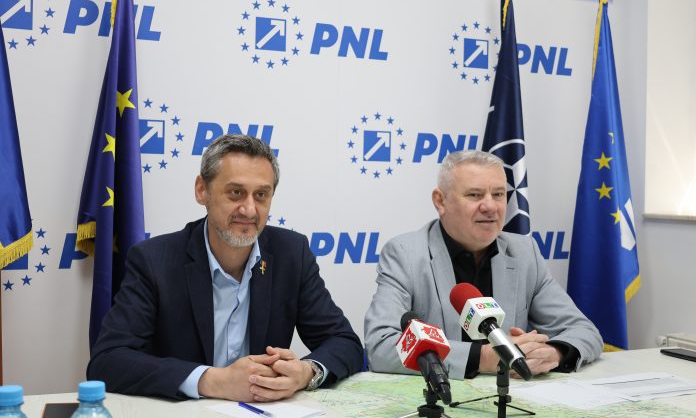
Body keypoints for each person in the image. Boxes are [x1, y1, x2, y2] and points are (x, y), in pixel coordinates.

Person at [87, 134, 363, 401]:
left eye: (261, 195)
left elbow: (344, 342)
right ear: (202, 190)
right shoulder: (154, 260)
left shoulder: (292, 254)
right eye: (236, 193)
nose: (249, 210)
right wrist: (214, 381)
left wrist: (306, 372)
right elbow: (108, 360)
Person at [364, 150, 603, 379]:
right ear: (440, 201)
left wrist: (553, 352)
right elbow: (381, 346)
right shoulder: (405, 255)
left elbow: (584, 331)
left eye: (498, 194)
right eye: (475, 195)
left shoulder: (524, 253)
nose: (490, 206)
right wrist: (482, 358)